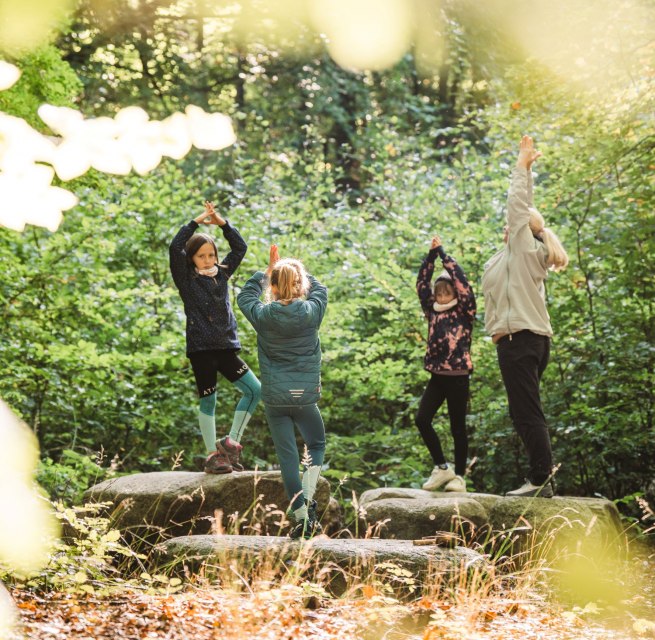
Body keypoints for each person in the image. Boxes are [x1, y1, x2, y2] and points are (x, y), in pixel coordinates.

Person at [481, 135, 569, 498]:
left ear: (523, 229)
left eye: (517, 223)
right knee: (523, 411)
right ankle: (539, 478)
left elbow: (518, 203)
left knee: (526, 412)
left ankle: (539, 481)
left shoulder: (524, 249)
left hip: (522, 341)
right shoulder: (510, 258)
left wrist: (522, 167)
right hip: (524, 340)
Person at [237, 245, 328, 539]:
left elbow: (244, 295)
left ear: (273, 287)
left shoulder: (263, 315)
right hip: (305, 396)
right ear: (301, 285)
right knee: (316, 443)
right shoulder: (312, 312)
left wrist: (267, 272)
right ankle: (309, 501)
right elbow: (320, 288)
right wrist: (295, 272)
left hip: (275, 398)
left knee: (287, 457)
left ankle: (301, 516)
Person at [169, 201, 261, 474]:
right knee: (208, 400)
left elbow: (240, 248)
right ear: (191, 259)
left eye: (211, 255)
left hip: (225, 347)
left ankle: (230, 443)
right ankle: (212, 455)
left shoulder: (222, 274)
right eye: (201, 256)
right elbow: (175, 247)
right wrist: (196, 222)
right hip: (201, 349)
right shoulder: (186, 279)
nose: (208, 260)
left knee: (255, 390)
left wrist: (221, 223)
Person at [416, 235, 476, 493]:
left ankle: (459, 477)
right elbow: (421, 284)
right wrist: (430, 257)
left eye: (445, 292)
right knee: (422, 419)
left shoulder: (464, 311)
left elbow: (463, 284)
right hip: (438, 376)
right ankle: (442, 468)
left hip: (459, 375)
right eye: (438, 292)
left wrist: (444, 255)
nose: (440, 296)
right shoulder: (432, 311)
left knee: (457, 427)